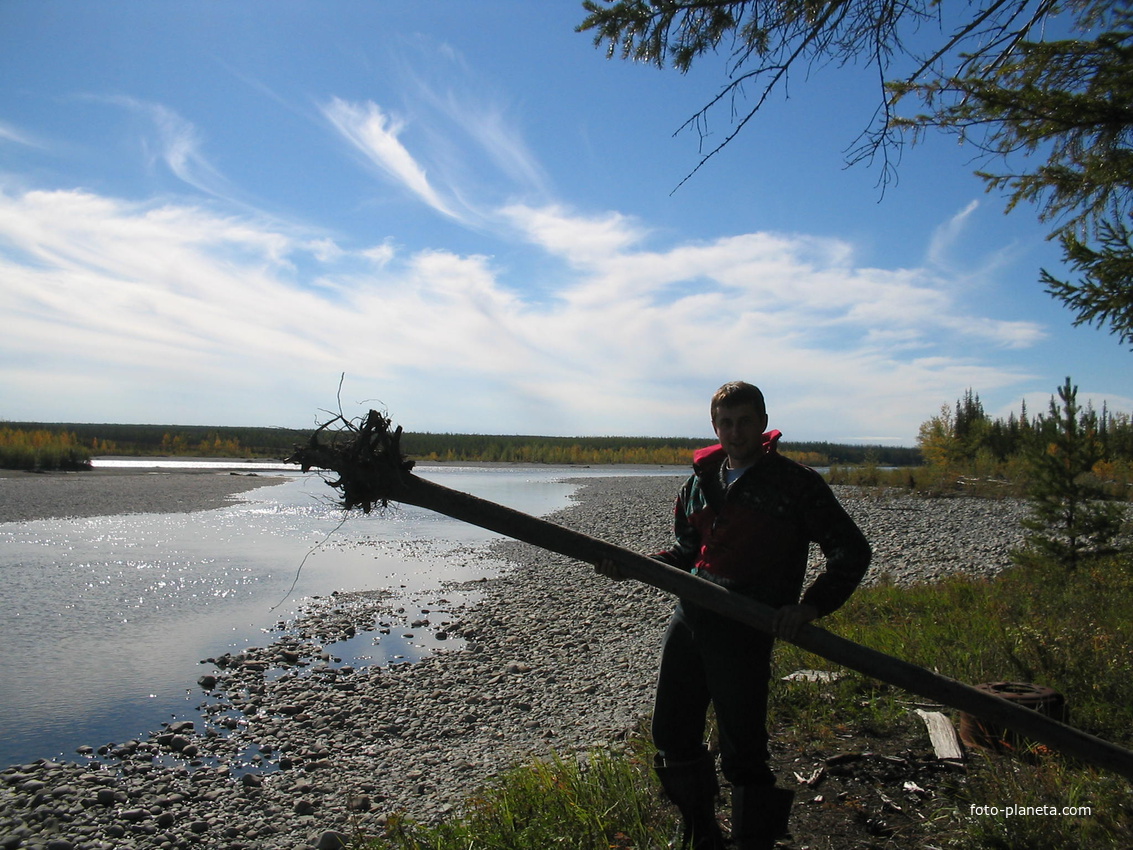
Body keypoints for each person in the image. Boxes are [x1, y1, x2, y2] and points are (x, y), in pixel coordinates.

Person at [598, 381, 871, 850]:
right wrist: (630, 566)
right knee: (671, 733)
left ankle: (753, 842)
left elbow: (851, 551)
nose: (736, 431)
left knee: (743, 749)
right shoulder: (699, 482)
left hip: (746, 626)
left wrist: (809, 605)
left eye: (745, 421)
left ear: (763, 423)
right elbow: (687, 551)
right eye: (726, 422)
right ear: (714, 426)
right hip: (691, 616)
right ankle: (701, 831)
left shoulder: (796, 485)